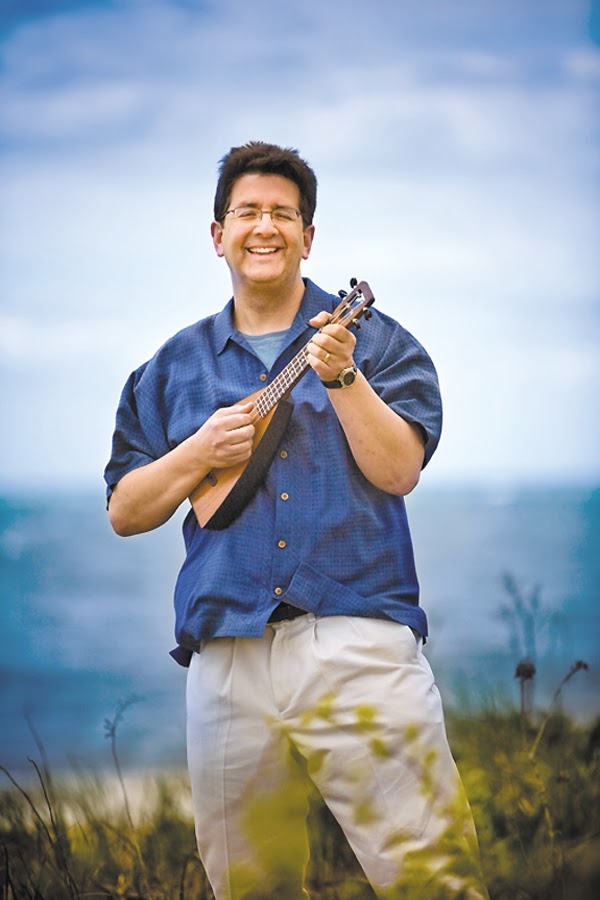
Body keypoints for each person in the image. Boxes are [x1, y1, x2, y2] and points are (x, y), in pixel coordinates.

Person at [104, 141, 488, 899]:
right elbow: (125, 509)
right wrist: (197, 453)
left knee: (430, 875)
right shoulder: (169, 368)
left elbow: (399, 470)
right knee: (249, 887)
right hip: (225, 660)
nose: (264, 226)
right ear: (217, 234)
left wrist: (342, 374)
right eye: (247, 211)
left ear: (309, 236)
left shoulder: (377, 341)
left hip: (358, 639)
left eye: (283, 213)